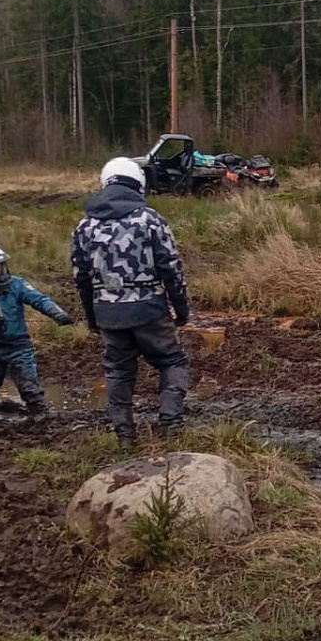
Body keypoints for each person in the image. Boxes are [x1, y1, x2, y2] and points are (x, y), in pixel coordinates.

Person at [71, 156, 191, 445]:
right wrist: (182, 309)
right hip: (149, 306)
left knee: (118, 371)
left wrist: (92, 318)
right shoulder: (150, 219)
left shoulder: (84, 226)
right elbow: (171, 269)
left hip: (107, 312)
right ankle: (171, 424)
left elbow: (81, 278)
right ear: (139, 184)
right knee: (172, 361)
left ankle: (125, 434)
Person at [0, 243, 74, 422]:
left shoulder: (17, 284)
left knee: (30, 390)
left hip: (18, 346)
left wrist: (58, 314)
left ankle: (44, 425)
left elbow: (39, 299)